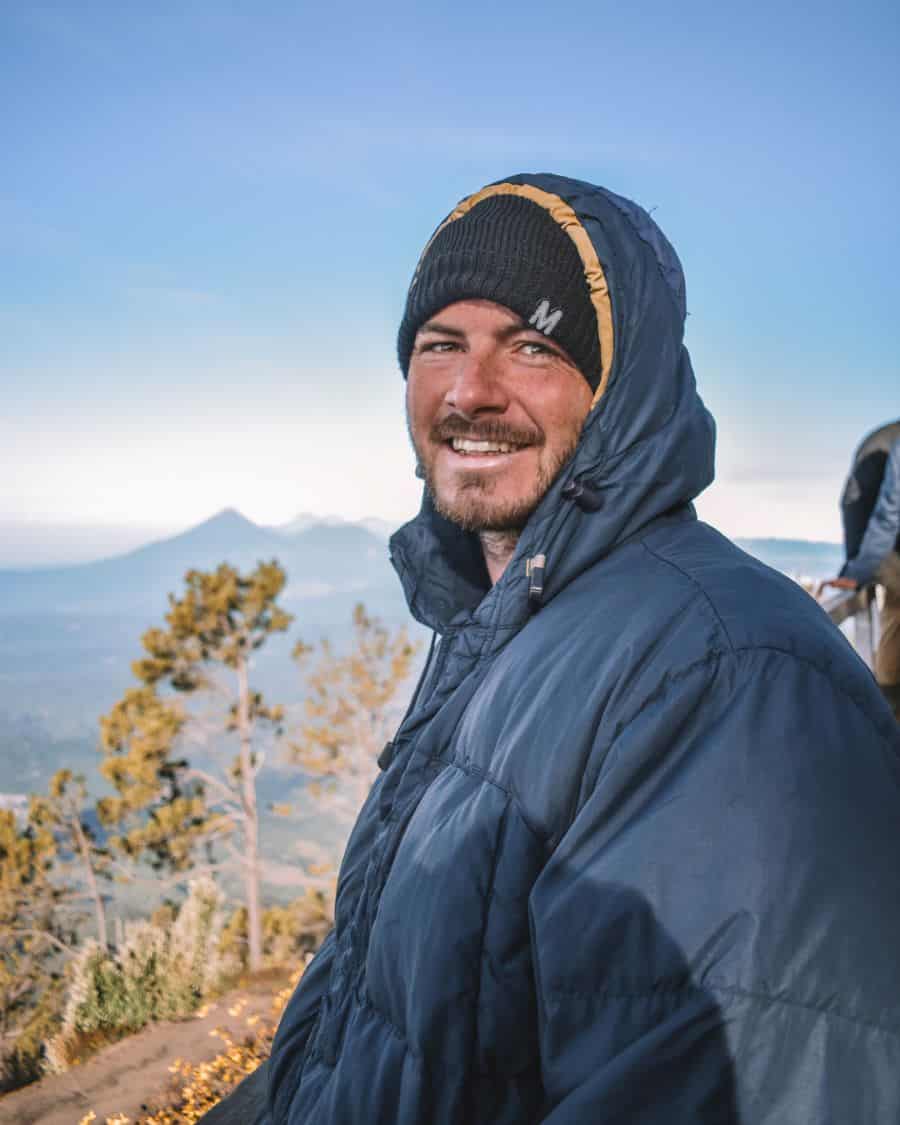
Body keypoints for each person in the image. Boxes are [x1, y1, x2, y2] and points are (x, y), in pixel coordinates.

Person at [213, 175, 900, 1124]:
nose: (468, 391)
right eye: (438, 344)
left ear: (618, 388)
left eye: (531, 345)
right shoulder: (505, 626)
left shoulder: (725, 678)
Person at [820, 420, 900, 718]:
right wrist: (855, 572)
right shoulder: (877, 458)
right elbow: (883, 514)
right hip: (873, 508)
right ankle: (890, 707)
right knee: (895, 600)